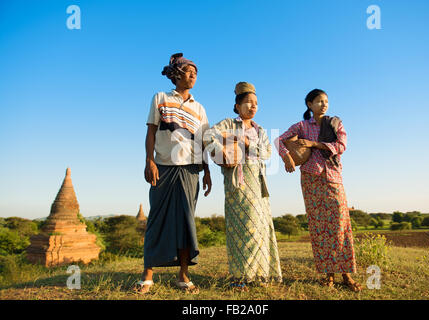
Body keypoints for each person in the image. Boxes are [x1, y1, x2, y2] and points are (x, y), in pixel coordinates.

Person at [135, 53, 212, 294]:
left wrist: (207, 171)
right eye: (188, 71)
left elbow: (203, 141)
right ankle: (147, 276)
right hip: (164, 167)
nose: (193, 76)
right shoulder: (160, 98)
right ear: (176, 74)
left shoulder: (199, 108)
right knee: (156, 219)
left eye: (195, 73)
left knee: (186, 223)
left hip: (191, 170)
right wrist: (150, 161)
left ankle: (183, 275)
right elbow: (151, 133)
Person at [274, 89, 362, 292]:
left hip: (333, 177)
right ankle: (328, 275)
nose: (323, 104)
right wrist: (286, 157)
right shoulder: (302, 126)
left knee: (340, 225)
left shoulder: (335, 123)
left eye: (326, 101)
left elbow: (341, 145)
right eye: (319, 101)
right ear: (309, 104)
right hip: (311, 180)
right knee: (319, 227)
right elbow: (279, 140)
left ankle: (346, 274)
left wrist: (314, 144)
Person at [204, 82, 282, 290]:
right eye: (247, 103)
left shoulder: (260, 129)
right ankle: (240, 277)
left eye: (255, 103)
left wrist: (246, 143)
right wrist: (223, 151)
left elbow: (266, 153)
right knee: (243, 229)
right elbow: (208, 135)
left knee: (260, 229)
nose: (252, 107)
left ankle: (260, 274)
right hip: (237, 183)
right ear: (237, 106)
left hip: (258, 182)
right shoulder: (229, 123)